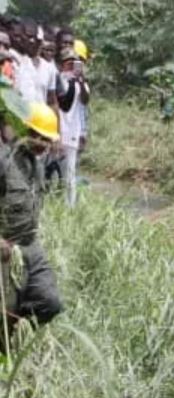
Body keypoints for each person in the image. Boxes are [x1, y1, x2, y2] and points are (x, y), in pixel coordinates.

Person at [0, 101, 64, 350]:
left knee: (50, 303)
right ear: (27, 132)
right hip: (5, 249)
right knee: (6, 309)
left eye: (47, 139)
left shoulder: (37, 164)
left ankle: (13, 337)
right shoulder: (4, 162)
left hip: (31, 246)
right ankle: (6, 354)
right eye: (38, 137)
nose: (43, 144)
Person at [56, 47, 87, 206]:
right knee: (54, 172)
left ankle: (70, 207)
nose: (71, 67)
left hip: (73, 131)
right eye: (68, 63)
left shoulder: (79, 82)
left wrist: (80, 81)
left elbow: (85, 101)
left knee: (70, 173)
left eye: (73, 63)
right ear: (62, 64)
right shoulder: (58, 79)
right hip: (56, 131)